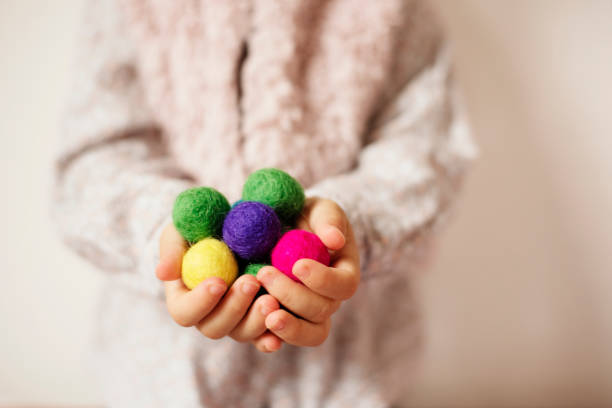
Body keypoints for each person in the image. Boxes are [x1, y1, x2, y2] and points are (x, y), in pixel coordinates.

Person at [52, 0, 476, 406]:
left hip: (352, 379)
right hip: (165, 380)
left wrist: (352, 223)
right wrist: (160, 228)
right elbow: (93, 159)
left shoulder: (396, 7)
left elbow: (425, 155)